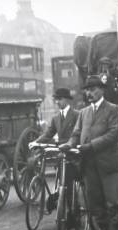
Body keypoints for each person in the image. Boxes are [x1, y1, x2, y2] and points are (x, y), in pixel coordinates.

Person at [59, 75, 118, 230]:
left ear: (102, 89)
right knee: (95, 203)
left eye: (93, 89)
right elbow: (76, 133)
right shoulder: (84, 112)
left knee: (113, 203)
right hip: (89, 165)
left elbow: (114, 134)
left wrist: (90, 146)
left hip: (109, 164)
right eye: (87, 90)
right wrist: (69, 144)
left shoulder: (113, 109)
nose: (90, 93)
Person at [30, 87, 80, 215]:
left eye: (60, 99)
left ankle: (72, 210)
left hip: (73, 153)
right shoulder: (55, 118)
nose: (57, 102)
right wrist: (36, 142)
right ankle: (59, 199)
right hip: (61, 154)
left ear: (67, 100)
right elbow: (48, 134)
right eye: (56, 99)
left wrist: (71, 145)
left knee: (69, 181)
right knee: (60, 180)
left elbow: (78, 134)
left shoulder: (77, 115)